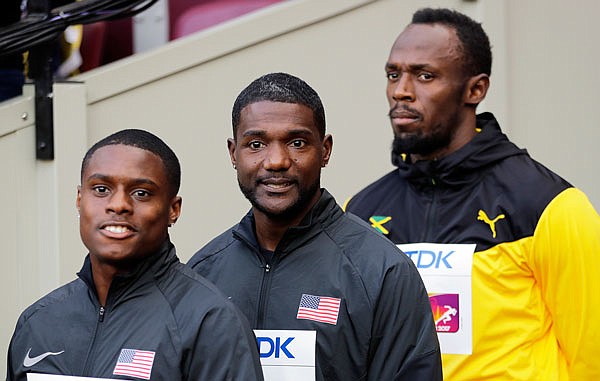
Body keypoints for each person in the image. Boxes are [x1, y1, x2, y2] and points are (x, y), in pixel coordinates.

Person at [344, 7, 600, 380]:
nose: (401, 91)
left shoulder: (551, 205)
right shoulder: (361, 211)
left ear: (475, 89)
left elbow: (592, 356)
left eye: (424, 75)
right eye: (393, 74)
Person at [187, 72, 442, 380]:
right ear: (233, 153)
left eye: (297, 142)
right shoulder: (202, 273)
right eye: (256, 144)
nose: (277, 160)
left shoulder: (382, 271)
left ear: (325, 151)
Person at [6, 129, 264, 381]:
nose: (118, 204)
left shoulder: (210, 322)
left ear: (173, 210)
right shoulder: (38, 322)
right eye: (101, 189)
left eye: (141, 193)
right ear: (79, 199)